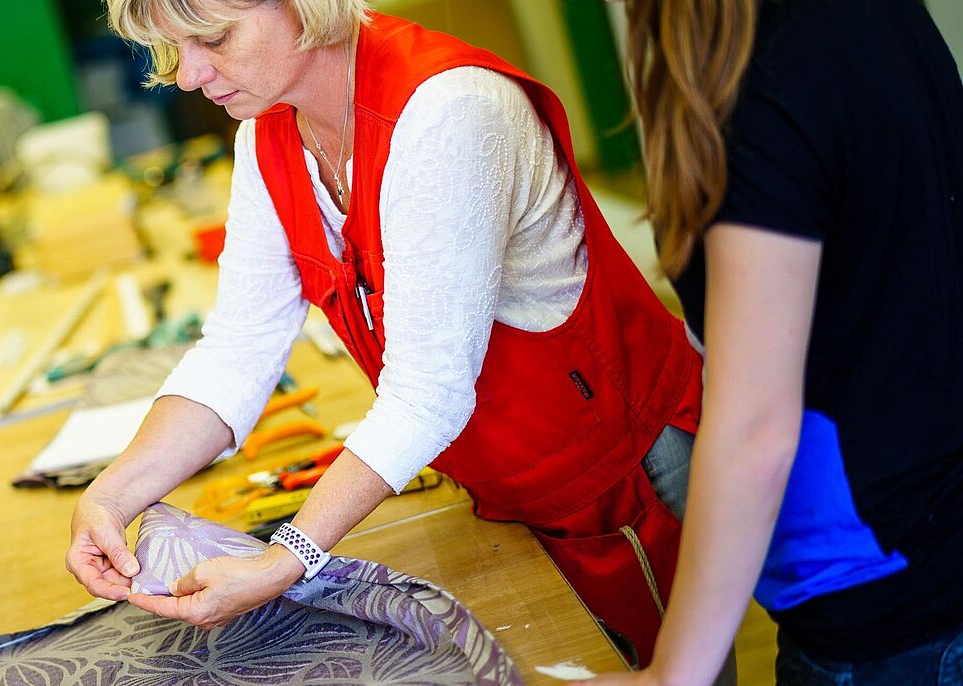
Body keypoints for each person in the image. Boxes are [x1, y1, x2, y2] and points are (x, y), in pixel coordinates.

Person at [67, 0, 718, 670]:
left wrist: (286, 557)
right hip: (505, 482)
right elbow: (237, 351)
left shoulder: (447, 110)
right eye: (175, 48)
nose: (188, 74)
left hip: (628, 470)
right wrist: (111, 496)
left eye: (212, 38)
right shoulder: (268, 135)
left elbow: (426, 392)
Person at [587, 0, 963, 684]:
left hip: (887, 615)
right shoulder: (857, 22)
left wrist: (673, 673)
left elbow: (756, 431)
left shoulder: (763, 78)